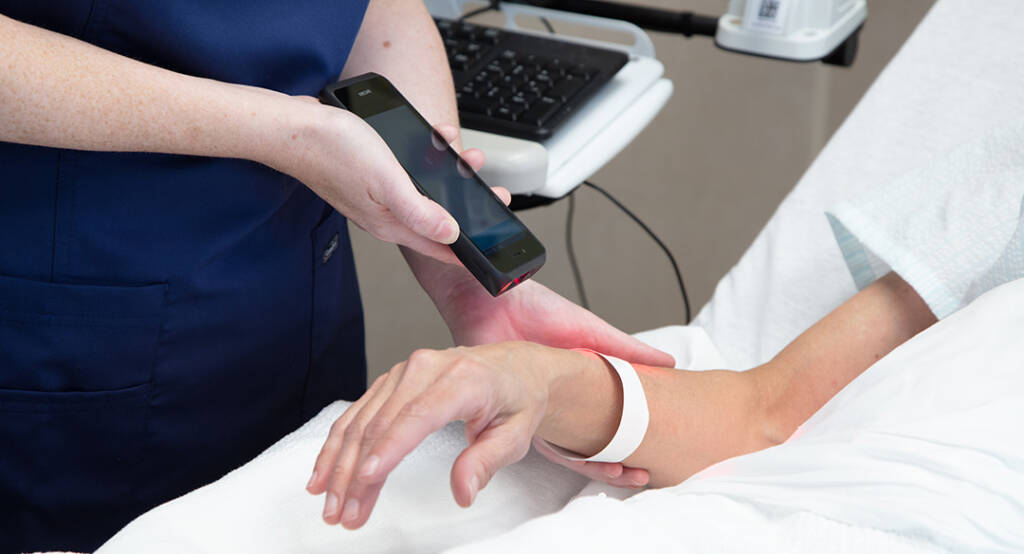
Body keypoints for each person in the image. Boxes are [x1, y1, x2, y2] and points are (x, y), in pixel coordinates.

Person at [0, 2, 670, 551]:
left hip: (289, 294)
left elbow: (373, 9)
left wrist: (458, 263)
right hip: (80, 308)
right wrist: (290, 133)